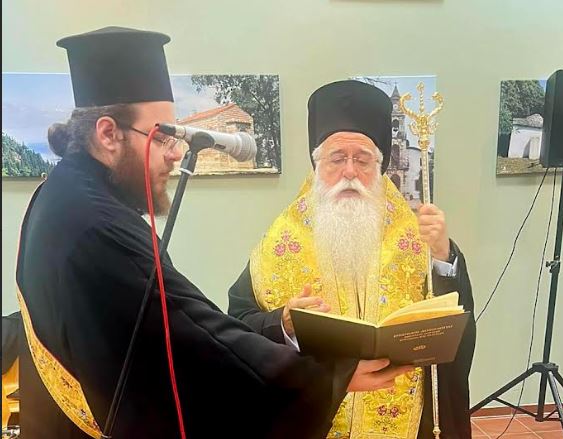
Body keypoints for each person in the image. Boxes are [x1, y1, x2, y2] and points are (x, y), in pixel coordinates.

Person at [15, 28, 411, 439]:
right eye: (163, 136)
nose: (177, 152)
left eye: (363, 159)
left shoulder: (63, 194)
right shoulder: (96, 226)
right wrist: (327, 378)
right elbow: (196, 342)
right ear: (107, 134)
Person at [228, 80, 477, 439]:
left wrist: (442, 258)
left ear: (380, 165)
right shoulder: (282, 240)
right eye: (336, 158)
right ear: (317, 164)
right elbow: (237, 327)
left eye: (362, 159)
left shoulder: (414, 233)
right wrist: (282, 324)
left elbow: (454, 333)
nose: (349, 172)